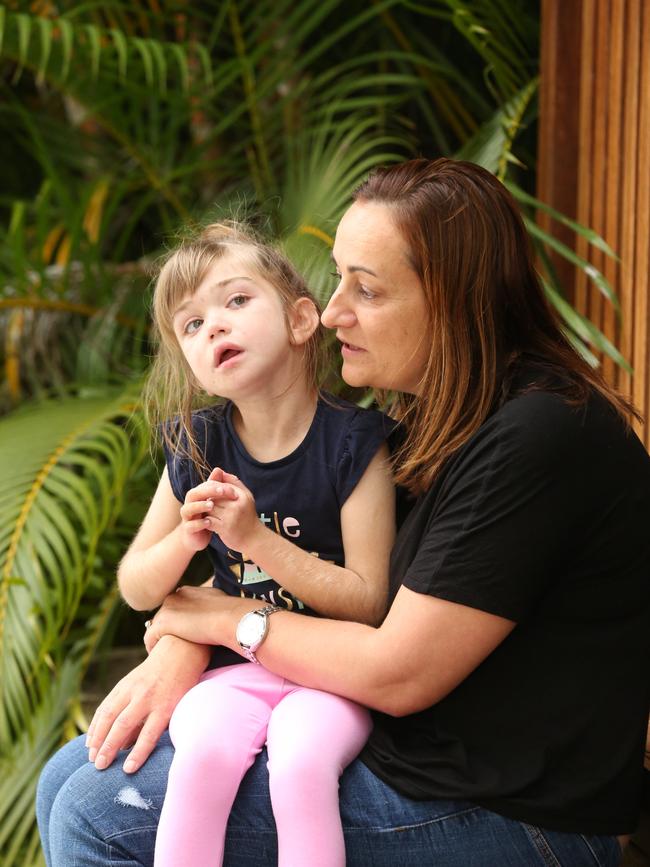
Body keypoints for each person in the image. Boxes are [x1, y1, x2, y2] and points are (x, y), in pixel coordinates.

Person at [37, 158, 650, 867]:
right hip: (419, 758)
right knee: (67, 777)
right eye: (339, 279)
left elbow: (394, 665)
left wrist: (210, 620)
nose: (331, 312)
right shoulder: (437, 418)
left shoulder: (538, 436)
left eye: (367, 288)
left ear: (451, 299)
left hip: (518, 815)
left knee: (98, 811)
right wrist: (186, 640)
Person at [102, 222, 396, 867]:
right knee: (202, 744)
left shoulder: (354, 445)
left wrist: (255, 540)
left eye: (236, 301)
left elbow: (369, 602)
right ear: (193, 368)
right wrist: (185, 538)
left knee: (301, 757)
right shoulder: (195, 446)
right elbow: (137, 587)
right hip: (240, 671)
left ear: (299, 320)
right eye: (192, 324)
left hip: (334, 677)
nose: (214, 327)